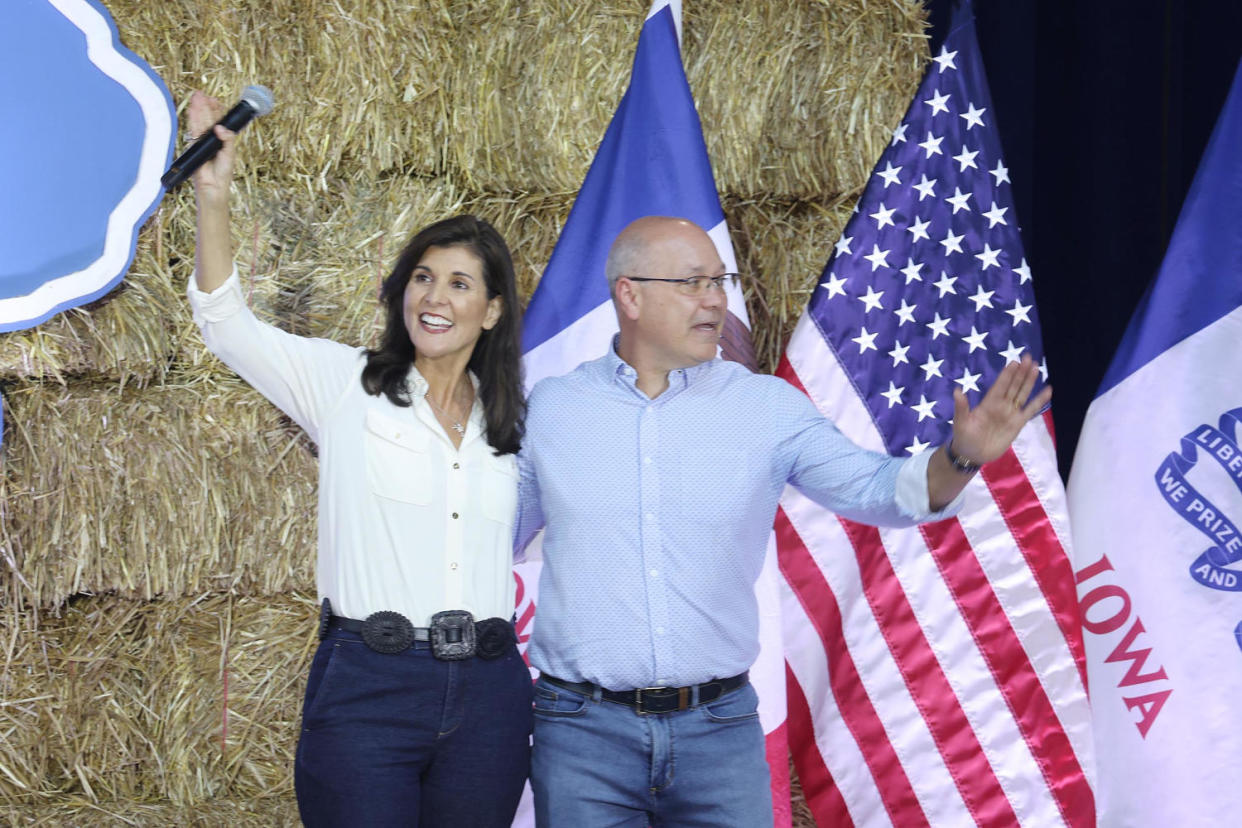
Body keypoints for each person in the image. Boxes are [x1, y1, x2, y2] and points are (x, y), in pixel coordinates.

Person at [515, 215, 1051, 827]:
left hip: (718, 731)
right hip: (583, 734)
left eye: (721, 281)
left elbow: (878, 490)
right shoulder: (554, 410)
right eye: (693, 283)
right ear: (629, 295)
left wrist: (958, 458)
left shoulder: (766, 407)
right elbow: (489, 536)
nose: (716, 300)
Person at [184, 92, 532, 827]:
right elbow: (225, 323)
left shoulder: (513, 422)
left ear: (493, 310)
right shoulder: (346, 384)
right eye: (422, 277)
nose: (434, 298)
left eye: (459, 284)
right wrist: (213, 195)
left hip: (492, 696)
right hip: (371, 684)